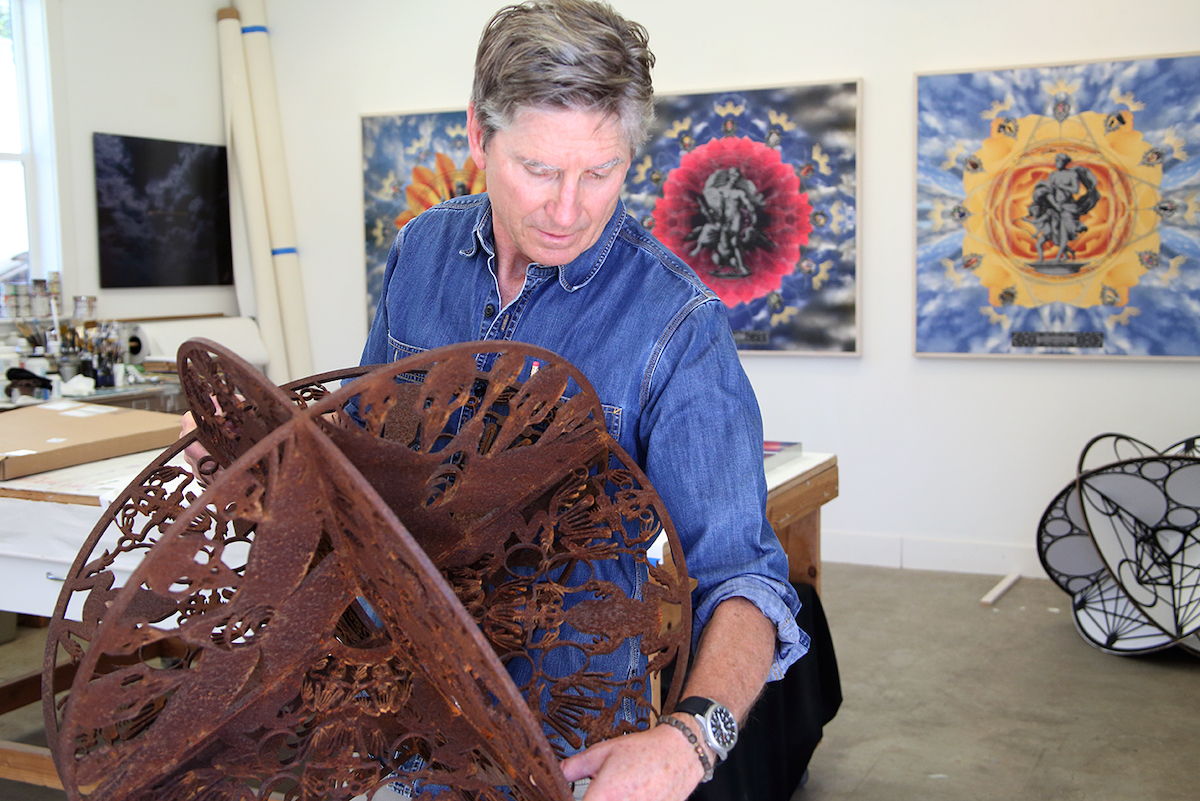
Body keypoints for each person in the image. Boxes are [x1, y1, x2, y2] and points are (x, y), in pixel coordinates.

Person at [360, 2, 807, 799]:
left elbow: (743, 577)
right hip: (400, 714)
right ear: (478, 135)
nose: (568, 210)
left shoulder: (677, 325)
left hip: (564, 747)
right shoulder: (420, 252)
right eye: (538, 170)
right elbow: (361, 446)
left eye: (600, 173)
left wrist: (690, 741)